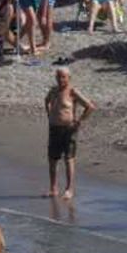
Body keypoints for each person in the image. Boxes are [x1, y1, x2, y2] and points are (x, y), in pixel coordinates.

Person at [45, 67, 95, 200]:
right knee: (52, 159)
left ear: (68, 78)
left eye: (63, 77)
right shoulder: (54, 90)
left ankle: (69, 189)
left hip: (68, 130)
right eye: (58, 77)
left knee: (69, 159)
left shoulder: (73, 92)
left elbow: (90, 107)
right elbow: (46, 101)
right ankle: (53, 188)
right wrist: (49, 114)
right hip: (54, 128)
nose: (60, 79)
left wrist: (79, 121)